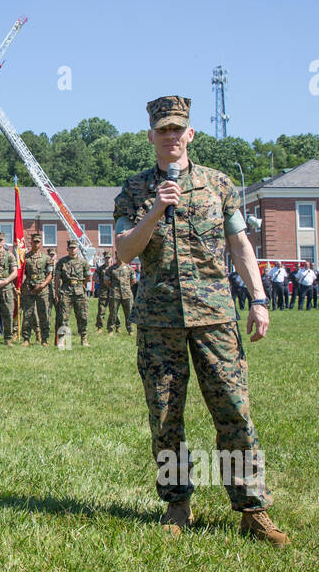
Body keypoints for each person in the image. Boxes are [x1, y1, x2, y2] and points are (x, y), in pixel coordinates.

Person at [113, 95, 287, 546]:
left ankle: (252, 508)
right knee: (166, 414)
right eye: (162, 130)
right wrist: (155, 209)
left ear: (190, 134)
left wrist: (259, 299)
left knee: (233, 409)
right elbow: (124, 251)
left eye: (178, 129)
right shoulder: (133, 191)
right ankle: (177, 504)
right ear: (151, 136)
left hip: (215, 316)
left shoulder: (219, 185)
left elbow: (241, 246)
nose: (171, 137)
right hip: (159, 318)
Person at [53, 239, 91, 346]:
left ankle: (84, 338)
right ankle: (63, 340)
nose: (72, 250)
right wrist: (56, 293)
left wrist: (80, 283)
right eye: (71, 248)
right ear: (67, 249)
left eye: (74, 248)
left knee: (82, 316)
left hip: (79, 292)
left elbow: (88, 277)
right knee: (63, 317)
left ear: (77, 249)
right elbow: (57, 278)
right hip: (66, 291)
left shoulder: (83, 262)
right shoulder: (62, 262)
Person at [20, 233, 52, 346]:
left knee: (43, 314)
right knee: (27, 314)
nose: (36, 243)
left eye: (38, 242)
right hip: (29, 288)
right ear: (31, 242)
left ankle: (44, 339)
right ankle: (26, 339)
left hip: (42, 289)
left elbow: (50, 274)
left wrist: (42, 285)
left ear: (41, 243)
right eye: (34, 241)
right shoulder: (25, 257)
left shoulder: (46, 258)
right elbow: (21, 274)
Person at [0, 232, 18, 346]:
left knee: (8, 314)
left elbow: (15, 272)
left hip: (6, 289)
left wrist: (5, 281)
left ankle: (8, 338)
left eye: (1, 240)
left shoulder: (9, 255)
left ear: (4, 241)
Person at [108, 257, 135, 334]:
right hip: (115, 294)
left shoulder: (129, 268)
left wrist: (126, 287)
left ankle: (130, 330)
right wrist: (113, 287)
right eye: (118, 256)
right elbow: (106, 281)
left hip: (127, 294)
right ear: (116, 257)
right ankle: (111, 330)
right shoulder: (111, 269)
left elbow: (133, 281)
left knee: (129, 312)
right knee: (113, 312)